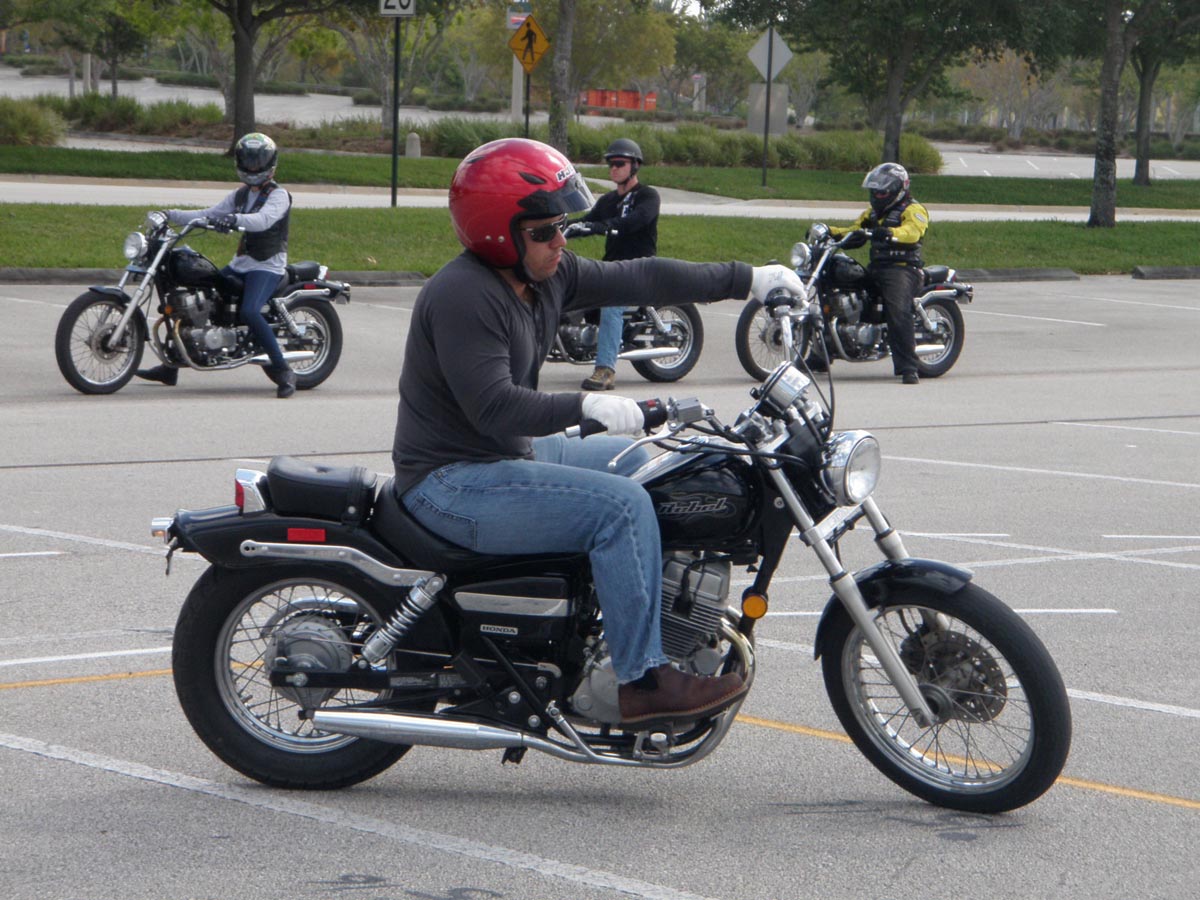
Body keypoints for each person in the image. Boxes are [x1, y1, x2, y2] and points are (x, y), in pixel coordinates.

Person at [391, 137, 804, 726]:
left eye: (562, 226)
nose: (560, 241)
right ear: (497, 234)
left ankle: (626, 623)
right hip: (450, 481)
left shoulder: (544, 276)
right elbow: (495, 408)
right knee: (621, 508)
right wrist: (587, 405)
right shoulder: (465, 295)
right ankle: (642, 680)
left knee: (647, 462)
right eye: (544, 231)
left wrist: (749, 278)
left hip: (507, 454)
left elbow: (641, 276)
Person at [136, 132, 297, 399]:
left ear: (270, 164)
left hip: (267, 267)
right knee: (200, 301)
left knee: (250, 311)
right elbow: (207, 214)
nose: (253, 167)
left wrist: (234, 220)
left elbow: (263, 220)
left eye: (258, 162)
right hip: (240, 264)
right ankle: (171, 367)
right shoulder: (240, 195)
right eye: (248, 161)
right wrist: (169, 214)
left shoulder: (279, 196)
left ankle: (283, 371)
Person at [564, 138, 660, 392]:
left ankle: (606, 370)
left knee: (612, 302)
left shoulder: (647, 196)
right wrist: (556, 228)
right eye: (611, 164)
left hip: (639, 268)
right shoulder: (608, 201)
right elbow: (587, 221)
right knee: (571, 287)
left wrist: (605, 226)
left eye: (620, 163)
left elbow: (637, 220)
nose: (614, 168)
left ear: (635, 165)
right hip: (611, 269)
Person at [828, 162, 930, 385]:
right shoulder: (872, 213)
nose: (877, 195)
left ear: (897, 189)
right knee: (837, 293)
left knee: (898, 309)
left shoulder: (914, 210)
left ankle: (908, 367)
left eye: (882, 192)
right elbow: (855, 230)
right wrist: (831, 232)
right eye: (874, 191)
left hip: (902, 269)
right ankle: (822, 354)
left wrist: (890, 233)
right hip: (877, 268)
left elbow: (912, 232)